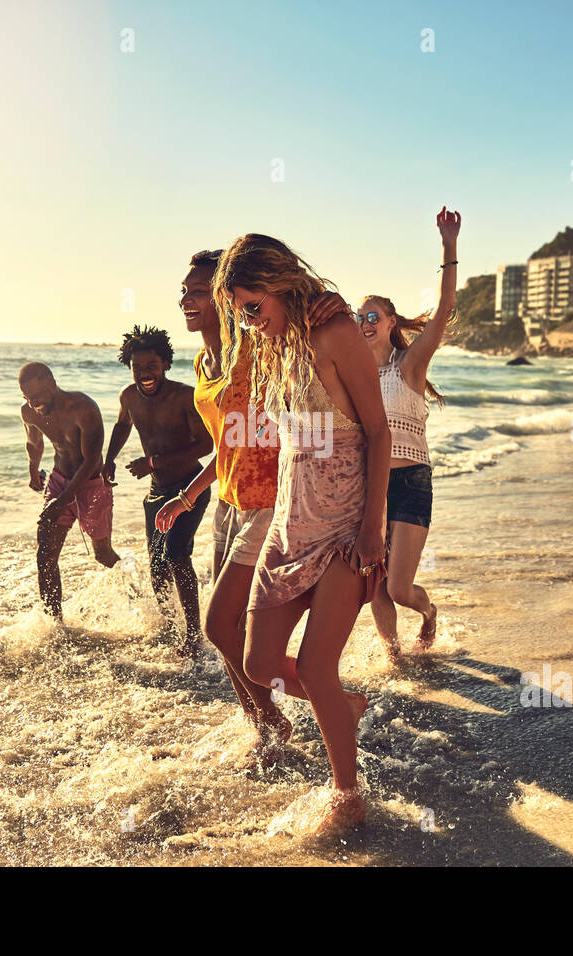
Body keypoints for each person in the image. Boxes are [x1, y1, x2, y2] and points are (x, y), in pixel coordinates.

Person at [212, 234, 390, 834]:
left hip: (344, 529)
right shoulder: (278, 347)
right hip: (290, 526)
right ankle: (346, 708)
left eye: (252, 306)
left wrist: (372, 528)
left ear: (280, 285)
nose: (247, 319)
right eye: (239, 310)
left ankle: (348, 794)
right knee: (259, 663)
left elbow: (380, 434)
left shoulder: (335, 334)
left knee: (316, 668)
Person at [155, 250, 351, 766]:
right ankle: (267, 724)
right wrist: (189, 494)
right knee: (227, 633)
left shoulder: (258, 344)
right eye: (185, 290)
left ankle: (296, 712)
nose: (187, 299)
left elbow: (303, 322)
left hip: (273, 499)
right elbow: (229, 444)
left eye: (199, 290)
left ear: (226, 296)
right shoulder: (203, 363)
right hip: (228, 500)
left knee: (220, 627)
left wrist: (331, 302)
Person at [360, 207, 460, 660]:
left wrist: (448, 244)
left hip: (412, 481)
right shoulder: (353, 377)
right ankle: (392, 655)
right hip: (371, 485)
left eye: (373, 315)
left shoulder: (410, 365)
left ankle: (429, 610)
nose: (365, 322)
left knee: (399, 588)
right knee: (374, 582)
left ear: (392, 322)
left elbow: (443, 312)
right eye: (359, 317)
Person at [103, 326, 214, 656]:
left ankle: (193, 635)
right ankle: (170, 628)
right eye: (137, 367)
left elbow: (206, 445)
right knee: (157, 566)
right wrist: (108, 460)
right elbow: (124, 424)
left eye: (151, 366)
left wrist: (154, 461)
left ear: (165, 363)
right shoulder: (129, 396)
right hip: (156, 493)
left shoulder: (184, 396)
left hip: (190, 488)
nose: (144, 374)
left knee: (178, 556)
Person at [19, 361, 119, 618]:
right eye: (28, 398)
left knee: (104, 555)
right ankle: (56, 626)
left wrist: (62, 500)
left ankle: (138, 593)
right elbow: (34, 441)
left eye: (38, 396)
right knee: (46, 555)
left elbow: (91, 460)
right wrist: (33, 469)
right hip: (60, 479)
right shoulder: (29, 412)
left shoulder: (83, 408)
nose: (34, 403)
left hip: (92, 485)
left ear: (52, 384)